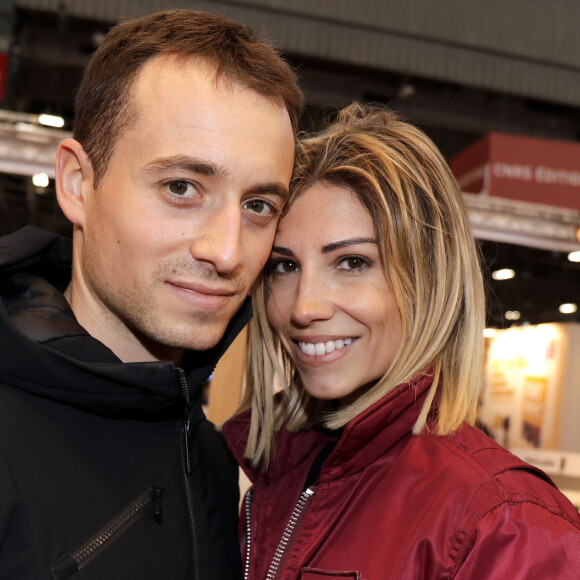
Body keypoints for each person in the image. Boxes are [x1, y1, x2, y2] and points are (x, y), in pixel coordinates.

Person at [0, 9, 302, 579]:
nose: (228, 252)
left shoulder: (210, 460)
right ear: (76, 184)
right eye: (182, 187)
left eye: (258, 205)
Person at [223, 103, 580, 579]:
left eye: (352, 263)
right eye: (285, 266)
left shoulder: (507, 524)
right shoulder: (279, 472)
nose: (304, 307)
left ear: (428, 280)